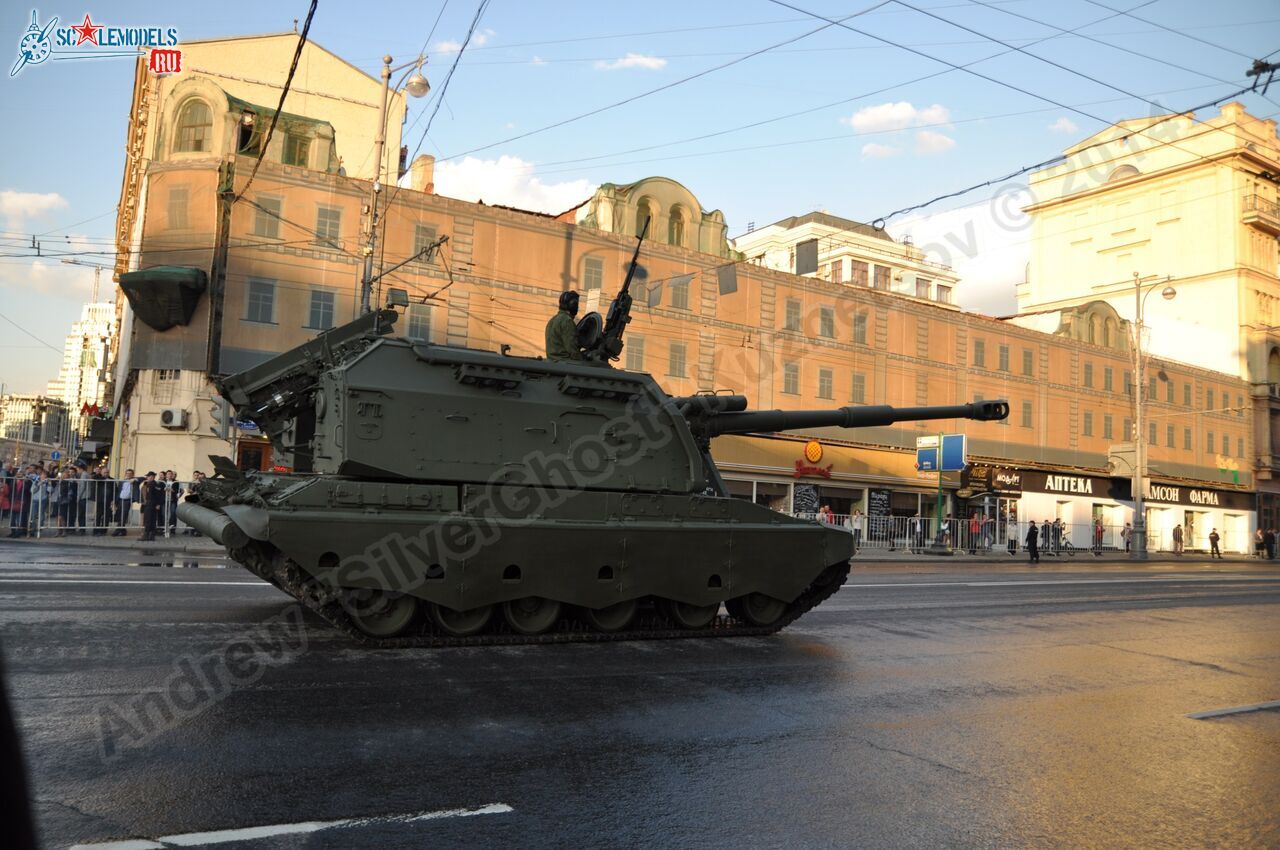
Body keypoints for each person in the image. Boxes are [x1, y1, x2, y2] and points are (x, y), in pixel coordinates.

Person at [545, 290, 584, 361]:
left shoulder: (552, 320)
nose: (577, 308)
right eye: (576, 305)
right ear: (573, 306)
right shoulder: (567, 321)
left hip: (553, 363)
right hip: (565, 363)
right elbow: (572, 350)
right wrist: (583, 359)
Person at [139, 472, 162, 541]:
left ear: (152, 477)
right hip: (150, 503)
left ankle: (146, 535)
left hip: (152, 503)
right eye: (147, 477)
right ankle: (151, 535)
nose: (147, 478)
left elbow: (158, 495)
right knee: (151, 519)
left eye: (148, 476)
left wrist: (158, 504)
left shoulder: (153, 484)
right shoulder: (150, 484)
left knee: (148, 519)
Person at [113, 469, 136, 536]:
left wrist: (134, 479)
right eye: (127, 473)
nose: (128, 474)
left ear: (132, 474)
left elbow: (141, 478)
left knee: (124, 515)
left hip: (127, 500)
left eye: (130, 473)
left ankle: (117, 530)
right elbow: (118, 490)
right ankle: (123, 530)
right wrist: (115, 500)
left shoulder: (134, 481)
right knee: (119, 515)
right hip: (120, 500)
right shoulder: (122, 481)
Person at [164, 471, 181, 537]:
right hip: (165, 500)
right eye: (168, 474)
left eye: (171, 474)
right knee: (164, 514)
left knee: (173, 513)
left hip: (172, 500)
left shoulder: (176, 482)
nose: (170, 475)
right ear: (166, 475)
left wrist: (172, 490)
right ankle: (164, 528)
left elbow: (178, 491)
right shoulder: (163, 482)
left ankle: (172, 529)